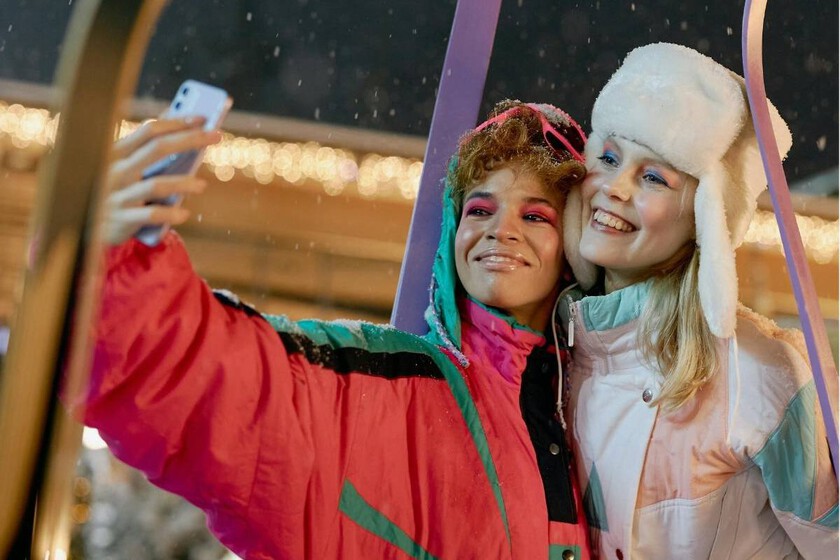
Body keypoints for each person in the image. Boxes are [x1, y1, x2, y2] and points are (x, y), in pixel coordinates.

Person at [76, 100, 594, 559]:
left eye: (535, 216)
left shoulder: (604, 415)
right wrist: (109, 263)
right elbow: (211, 377)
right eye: (479, 209)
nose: (500, 230)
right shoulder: (390, 386)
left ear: (574, 249)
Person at [559, 42, 838, 559]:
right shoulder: (553, 360)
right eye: (609, 158)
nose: (614, 188)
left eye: (653, 177)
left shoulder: (757, 372)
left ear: (704, 219)